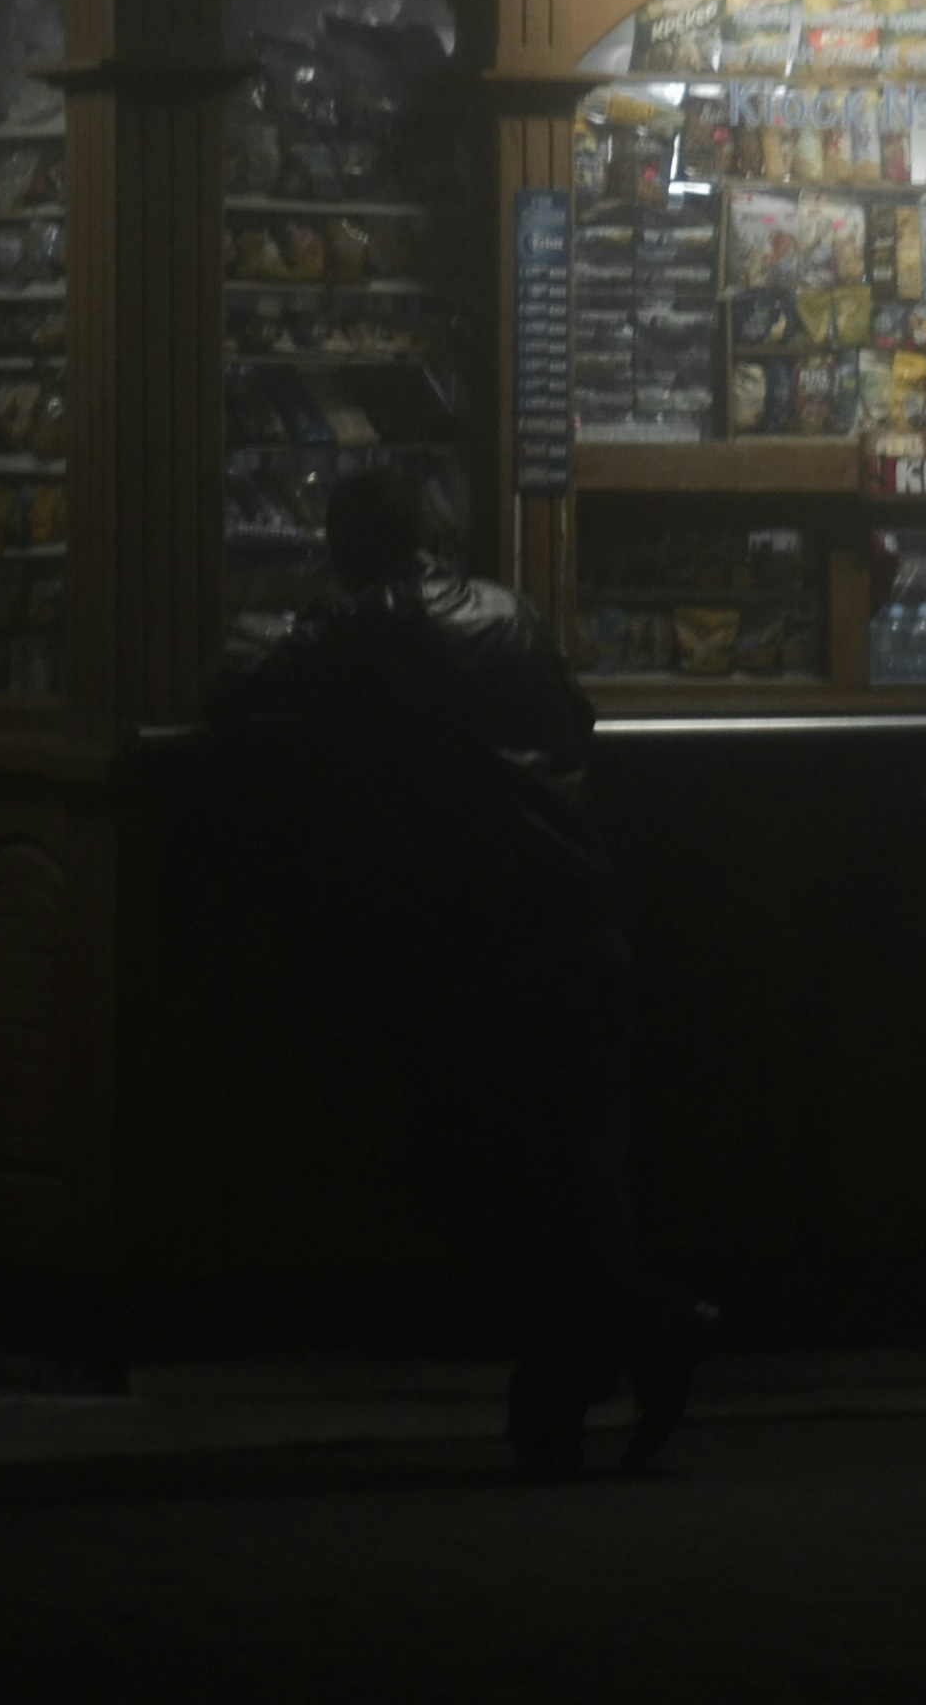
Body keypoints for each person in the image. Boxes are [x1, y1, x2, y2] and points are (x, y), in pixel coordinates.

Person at [200, 469, 708, 1480]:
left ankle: (620, 1353)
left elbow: (236, 700)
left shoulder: (366, 624)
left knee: (504, 1180)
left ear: (344, 549)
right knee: (573, 1175)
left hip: (484, 941)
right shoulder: (512, 612)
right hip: (580, 921)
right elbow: (579, 720)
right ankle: (593, 1376)